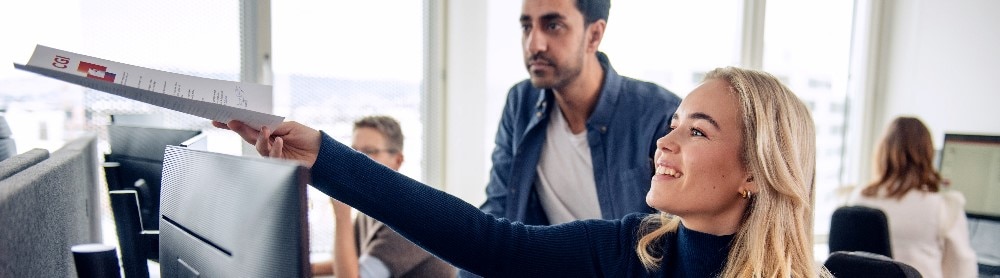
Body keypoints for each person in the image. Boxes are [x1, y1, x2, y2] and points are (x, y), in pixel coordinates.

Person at [214, 66, 829, 277]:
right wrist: (323, 155)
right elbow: (489, 243)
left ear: (757, 172)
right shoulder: (635, 249)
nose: (665, 141)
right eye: (673, 122)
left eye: (697, 131)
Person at [481, 0, 682, 227]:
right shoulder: (521, 103)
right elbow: (498, 210)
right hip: (543, 261)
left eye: (553, 26)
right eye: (527, 27)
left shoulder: (659, 114)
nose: (533, 45)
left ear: (594, 35)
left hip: (629, 263)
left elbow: (676, 235)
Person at [309, 116, 456, 277]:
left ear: (398, 161)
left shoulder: (407, 217)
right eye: (352, 151)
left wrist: (341, 213)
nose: (354, 160)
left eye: (369, 152)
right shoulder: (368, 208)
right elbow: (353, 261)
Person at [849, 117, 977, 278]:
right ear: (927, 154)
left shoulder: (859, 198)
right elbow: (962, 271)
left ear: (882, 152)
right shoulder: (942, 206)